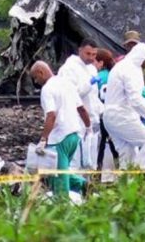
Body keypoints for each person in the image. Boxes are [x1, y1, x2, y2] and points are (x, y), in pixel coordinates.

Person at [104, 42, 145, 169]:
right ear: (141, 58)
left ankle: (126, 185)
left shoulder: (123, 66)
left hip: (112, 117)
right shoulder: (130, 70)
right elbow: (135, 99)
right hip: (121, 116)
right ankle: (139, 177)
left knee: (127, 154)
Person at [30, 60, 91, 196]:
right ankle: (84, 185)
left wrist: (43, 139)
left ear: (41, 72)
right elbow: (81, 109)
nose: (36, 81)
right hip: (74, 136)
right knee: (58, 171)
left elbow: (51, 115)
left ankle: (62, 208)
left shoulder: (47, 89)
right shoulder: (66, 83)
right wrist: (88, 127)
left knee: (58, 179)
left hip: (59, 139)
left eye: (35, 77)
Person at [58, 38, 104, 131]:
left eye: (94, 54)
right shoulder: (69, 68)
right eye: (88, 54)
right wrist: (89, 83)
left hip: (93, 119)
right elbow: (71, 95)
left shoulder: (92, 68)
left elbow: (93, 97)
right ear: (80, 50)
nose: (91, 57)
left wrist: (102, 111)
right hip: (77, 121)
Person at [94, 48, 119, 169]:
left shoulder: (97, 76)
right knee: (114, 142)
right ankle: (120, 168)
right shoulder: (114, 75)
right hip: (115, 113)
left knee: (101, 144)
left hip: (102, 113)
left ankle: (97, 169)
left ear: (101, 62)